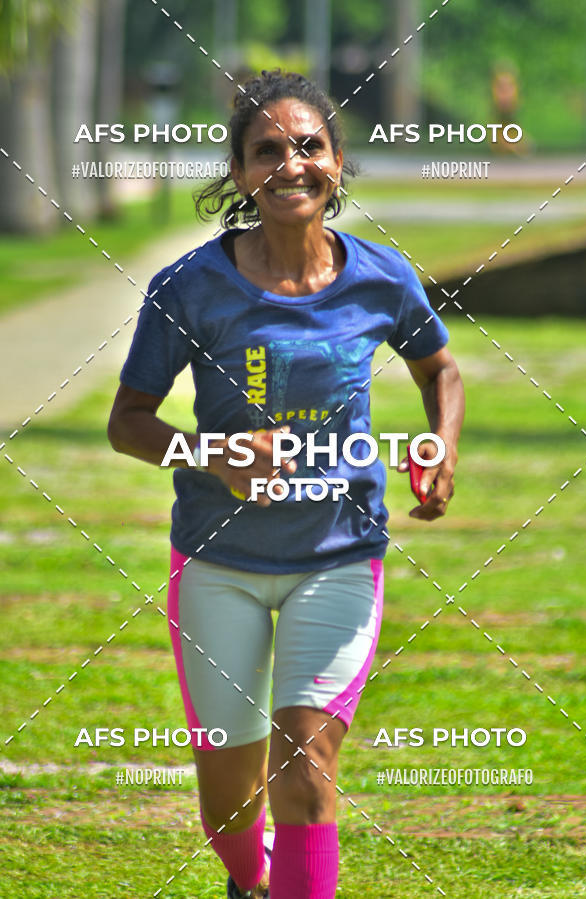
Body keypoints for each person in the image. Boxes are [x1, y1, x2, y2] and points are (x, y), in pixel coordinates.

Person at [108, 69, 464, 899]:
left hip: (338, 555)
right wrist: (207, 455)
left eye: (309, 146)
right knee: (229, 803)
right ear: (240, 174)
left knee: (304, 762)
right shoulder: (191, 288)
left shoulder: (381, 278)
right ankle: (250, 880)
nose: (290, 164)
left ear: (337, 163)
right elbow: (129, 422)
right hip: (216, 561)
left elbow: (439, 367)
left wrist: (440, 448)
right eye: (267, 150)